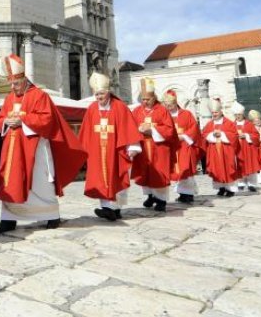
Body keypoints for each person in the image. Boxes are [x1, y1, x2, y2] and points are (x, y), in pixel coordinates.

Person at [0, 54, 86, 234]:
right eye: (10, 84)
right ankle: (8, 219)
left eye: (16, 84)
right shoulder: (9, 98)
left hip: (35, 148)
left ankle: (51, 215)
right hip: (12, 148)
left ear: (24, 80)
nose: (13, 88)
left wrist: (22, 120)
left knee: (39, 182)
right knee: (10, 181)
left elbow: (47, 119)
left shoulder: (39, 95)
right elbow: (1, 118)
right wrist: (5, 122)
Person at [79, 72, 142, 222]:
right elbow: (86, 131)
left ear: (108, 92)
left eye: (101, 94)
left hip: (116, 151)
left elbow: (129, 127)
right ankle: (108, 208)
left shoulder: (120, 107)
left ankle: (114, 209)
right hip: (97, 152)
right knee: (100, 179)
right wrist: (83, 150)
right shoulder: (92, 109)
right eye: (96, 95)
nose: (98, 97)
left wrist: (133, 146)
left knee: (116, 177)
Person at [131, 78, 178, 212]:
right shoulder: (136, 111)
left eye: (148, 99)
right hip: (144, 147)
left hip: (159, 147)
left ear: (154, 97)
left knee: (159, 172)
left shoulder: (162, 110)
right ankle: (150, 195)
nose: (145, 101)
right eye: (143, 99)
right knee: (145, 172)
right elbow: (131, 126)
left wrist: (152, 130)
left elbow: (169, 129)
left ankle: (161, 200)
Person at [163, 89, 201, 204]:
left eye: (171, 105)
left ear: (175, 103)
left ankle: (188, 194)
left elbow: (194, 128)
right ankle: (182, 193)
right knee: (176, 171)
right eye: (167, 105)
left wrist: (184, 136)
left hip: (184, 146)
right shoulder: (164, 116)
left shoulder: (186, 114)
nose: (169, 108)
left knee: (185, 169)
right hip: (172, 147)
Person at [201, 97, 241, 197]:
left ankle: (230, 189)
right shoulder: (209, 124)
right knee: (216, 169)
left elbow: (234, 136)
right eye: (213, 112)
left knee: (227, 168)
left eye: (216, 112)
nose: (214, 114)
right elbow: (204, 135)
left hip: (226, 150)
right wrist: (211, 135)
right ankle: (221, 188)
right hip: (213, 151)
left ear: (221, 111)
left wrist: (222, 134)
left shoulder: (229, 123)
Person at [232, 102, 260, 193]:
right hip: (237, 149)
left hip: (248, 149)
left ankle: (252, 184)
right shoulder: (232, 125)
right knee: (239, 166)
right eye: (236, 115)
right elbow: (229, 135)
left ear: (242, 114)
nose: (238, 116)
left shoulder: (249, 124)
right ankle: (241, 183)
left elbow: (256, 136)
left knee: (250, 165)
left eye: (239, 114)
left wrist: (247, 135)